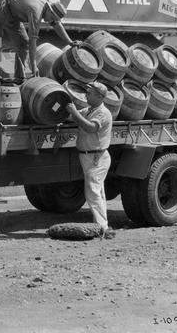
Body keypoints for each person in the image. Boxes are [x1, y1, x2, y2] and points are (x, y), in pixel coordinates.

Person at [0, 0, 76, 79]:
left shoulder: (47, 5)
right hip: (1, 6)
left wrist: (70, 42)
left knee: (24, 43)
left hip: (13, 16)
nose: (49, 21)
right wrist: (34, 66)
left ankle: (20, 75)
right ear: (49, 11)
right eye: (51, 18)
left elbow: (56, 24)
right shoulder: (36, 12)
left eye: (53, 19)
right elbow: (33, 41)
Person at [65, 81, 115, 239]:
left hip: (96, 157)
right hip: (88, 155)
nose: (86, 94)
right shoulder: (88, 110)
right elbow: (72, 116)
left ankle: (102, 228)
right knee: (98, 191)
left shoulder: (103, 113)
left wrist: (74, 112)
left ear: (100, 96)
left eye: (90, 93)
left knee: (92, 191)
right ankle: (103, 224)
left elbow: (90, 127)